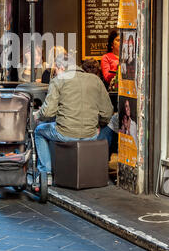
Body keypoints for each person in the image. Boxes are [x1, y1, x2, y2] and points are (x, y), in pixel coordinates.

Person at [33, 53, 113, 184]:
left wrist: (37, 115)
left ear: (61, 68)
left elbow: (47, 112)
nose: (55, 74)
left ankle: (45, 173)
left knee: (39, 131)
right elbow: (107, 112)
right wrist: (98, 125)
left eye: (55, 70)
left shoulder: (58, 81)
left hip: (65, 133)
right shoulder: (95, 80)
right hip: (91, 134)